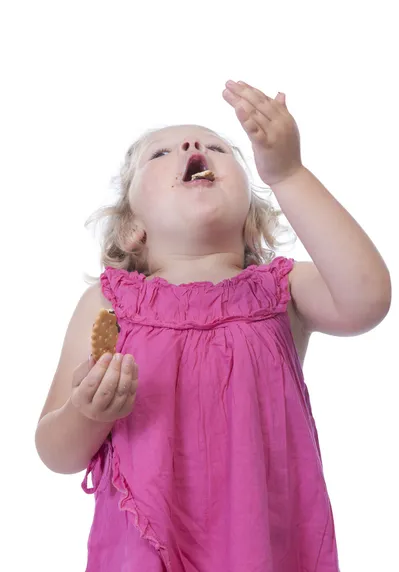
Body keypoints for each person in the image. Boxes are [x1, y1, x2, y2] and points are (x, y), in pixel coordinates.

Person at [35, 80, 391, 571]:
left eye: (220, 148)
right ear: (131, 229)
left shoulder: (281, 292)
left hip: (258, 546)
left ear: (250, 217)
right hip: (141, 549)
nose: (192, 147)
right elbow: (55, 452)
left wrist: (288, 174)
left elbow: (366, 300)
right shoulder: (108, 304)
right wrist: (88, 412)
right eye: (160, 153)